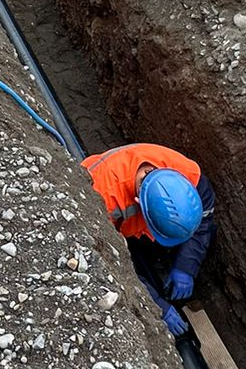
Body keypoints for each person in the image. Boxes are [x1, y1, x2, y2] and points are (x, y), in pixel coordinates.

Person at [82, 142, 216, 337]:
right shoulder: (100, 198)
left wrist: (186, 266)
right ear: (140, 206)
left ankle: (164, 263)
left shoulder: (189, 175)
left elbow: (204, 222)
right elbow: (113, 265)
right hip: (112, 225)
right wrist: (157, 306)